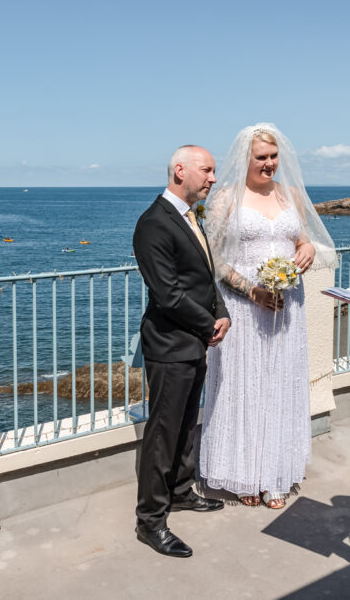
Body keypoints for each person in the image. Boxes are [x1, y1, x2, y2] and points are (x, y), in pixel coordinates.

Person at [199, 123, 337, 509]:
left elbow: (302, 238)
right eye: (262, 157)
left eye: (274, 157)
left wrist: (307, 248)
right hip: (245, 308)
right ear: (245, 159)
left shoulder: (290, 194)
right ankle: (244, 473)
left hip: (287, 308)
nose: (270, 164)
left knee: (279, 386)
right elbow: (213, 259)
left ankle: (275, 472)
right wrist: (251, 290)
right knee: (243, 388)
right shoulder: (227, 199)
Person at [132, 145, 232, 558]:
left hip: (192, 340)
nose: (212, 178)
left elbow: (204, 277)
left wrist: (221, 311)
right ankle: (150, 521)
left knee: (187, 422)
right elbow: (169, 294)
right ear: (180, 170)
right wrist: (209, 323)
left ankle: (180, 491)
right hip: (170, 344)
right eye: (207, 171)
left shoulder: (191, 217)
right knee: (163, 432)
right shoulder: (153, 224)